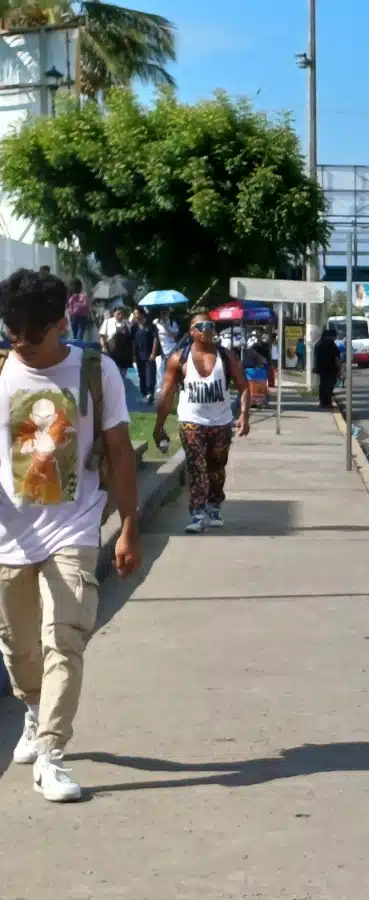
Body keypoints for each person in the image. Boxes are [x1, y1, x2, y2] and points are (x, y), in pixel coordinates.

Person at [0, 268, 141, 803]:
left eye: (32, 334)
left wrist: (128, 525)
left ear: (61, 322)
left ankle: (52, 754)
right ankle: (33, 711)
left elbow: (122, 450)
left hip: (75, 526)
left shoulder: (94, 371)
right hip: (8, 533)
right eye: (12, 331)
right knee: (18, 647)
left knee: (66, 639)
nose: (21, 344)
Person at [153, 316, 249, 534]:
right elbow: (167, 394)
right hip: (191, 422)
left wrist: (244, 415)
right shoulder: (179, 359)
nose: (207, 330)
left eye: (211, 326)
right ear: (192, 331)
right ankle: (197, 513)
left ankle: (214, 507)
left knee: (217, 468)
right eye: (202, 326)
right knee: (197, 468)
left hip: (221, 423)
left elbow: (243, 386)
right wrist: (158, 427)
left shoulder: (227, 357)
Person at [131, 307, 160, 404]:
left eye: (137, 313)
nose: (135, 315)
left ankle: (150, 393)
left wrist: (153, 353)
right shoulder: (134, 327)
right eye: (134, 314)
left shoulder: (151, 326)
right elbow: (133, 342)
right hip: (139, 355)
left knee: (150, 374)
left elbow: (156, 339)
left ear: (142, 314)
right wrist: (133, 355)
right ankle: (144, 394)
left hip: (149, 354)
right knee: (141, 375)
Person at [313, 328, 341, 409]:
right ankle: (328, 402)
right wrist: (339, 369)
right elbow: (336, 359)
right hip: (331, 369)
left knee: (322, 385)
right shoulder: (332, 345)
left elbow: (315, 357)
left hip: (321, 369)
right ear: (331, 336)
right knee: (329, 386)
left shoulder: (318, 344)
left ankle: (322, 402)